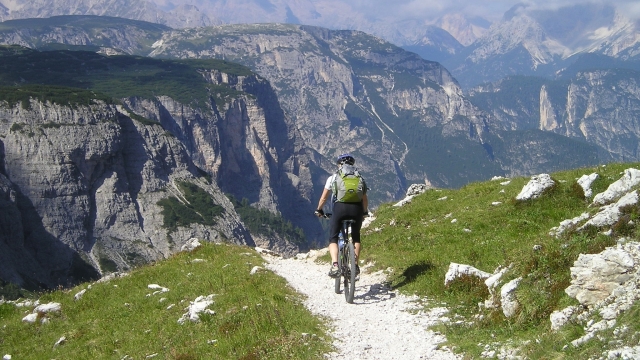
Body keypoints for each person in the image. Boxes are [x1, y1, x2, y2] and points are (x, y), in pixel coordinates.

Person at [315, 153, 369, 278]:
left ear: (339, 165)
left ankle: (335, 265)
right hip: (356, 209)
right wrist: (364, 212)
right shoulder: (359, 177)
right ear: (352, 165)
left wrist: (319, 210)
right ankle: (354, 266)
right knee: (356, 237)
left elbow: (323, 198)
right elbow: (364, 199)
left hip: (340, 209)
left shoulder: (333, 178)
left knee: (333, 238)